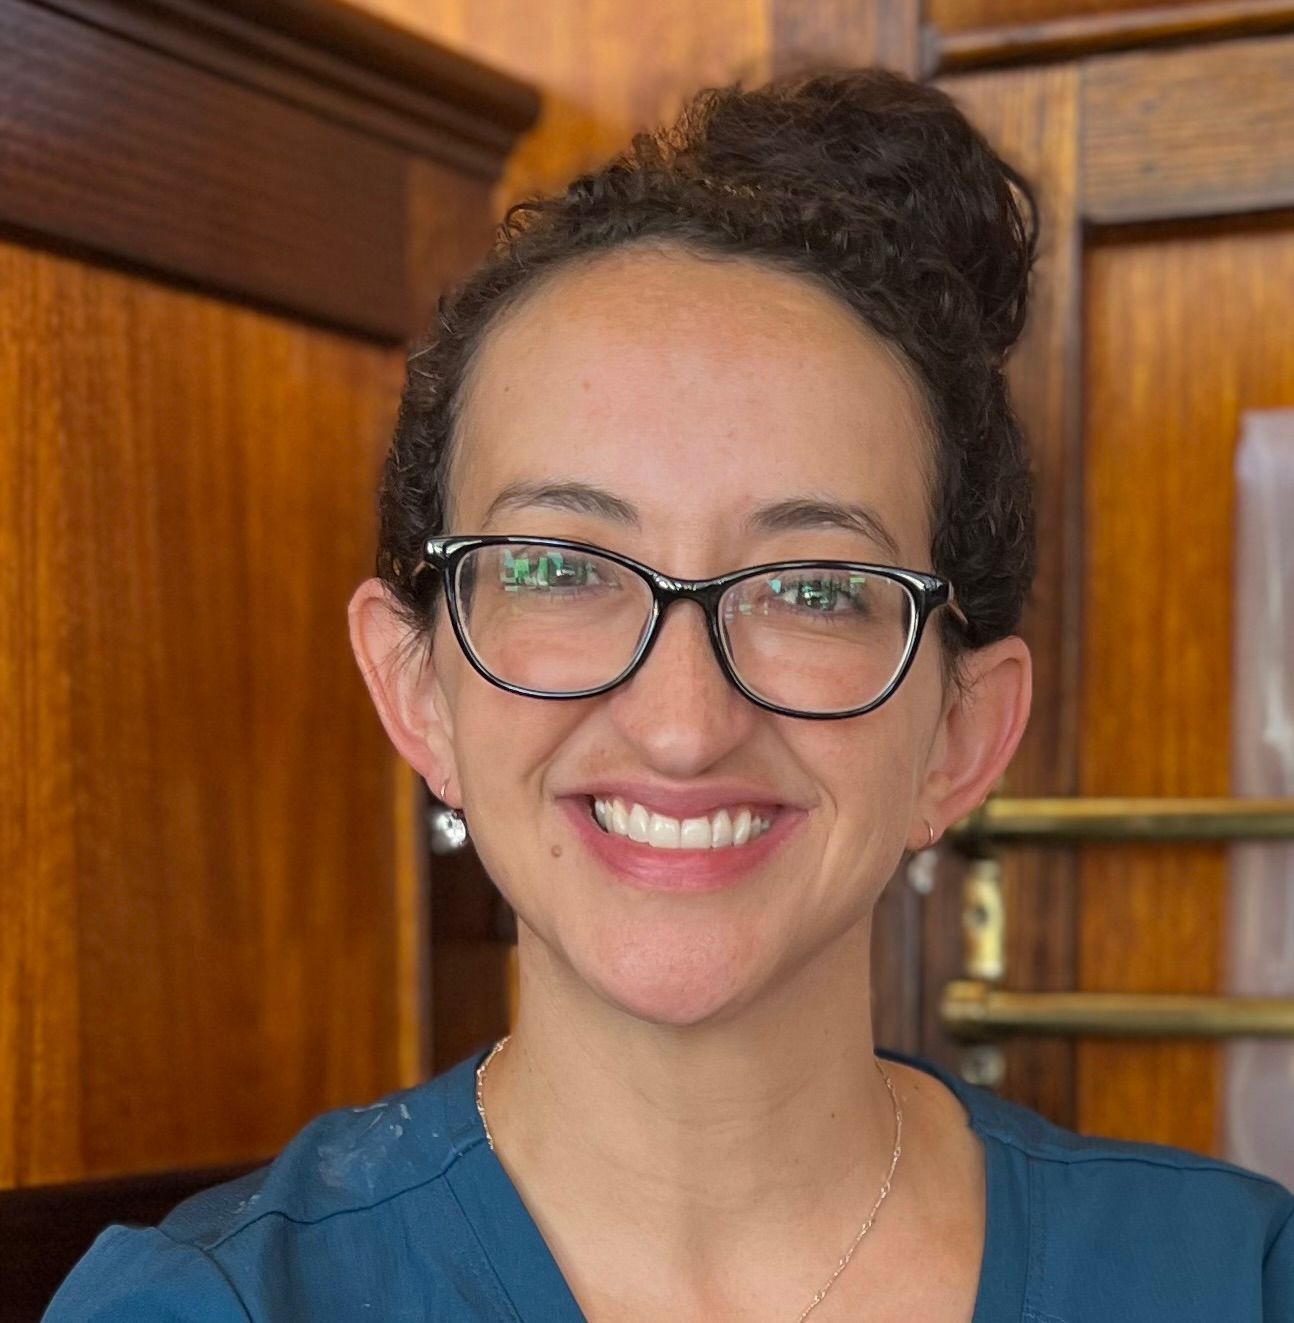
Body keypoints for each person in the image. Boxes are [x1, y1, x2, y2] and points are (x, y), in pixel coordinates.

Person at [46, 68, 1292, 1322]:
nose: (683, 723)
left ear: (960, 735)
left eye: (810, 588)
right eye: (558, 567)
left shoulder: (1230, 1280)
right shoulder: (216, 1304)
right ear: (418, 688)